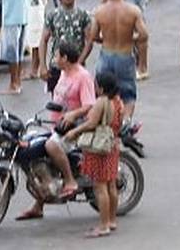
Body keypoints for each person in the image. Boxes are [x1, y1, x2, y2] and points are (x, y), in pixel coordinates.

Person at [16, 42, 96, 221]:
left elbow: (90, 104)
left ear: (65, 58)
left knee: (51, 145)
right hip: (57, 126)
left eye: (57, 56)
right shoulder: (64, 73)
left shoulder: (83, 77)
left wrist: (73, 114)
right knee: (32, 145)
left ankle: (70, 180)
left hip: (76, 128)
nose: (54, 59)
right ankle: (39, 205)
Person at [63, 72, 124, 238]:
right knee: (111, 185)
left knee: (99, 187)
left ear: (102, 87)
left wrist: (74, 132)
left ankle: (103, 225)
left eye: (96, 85)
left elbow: (91, 123)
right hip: (112, 145)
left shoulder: (101, 102)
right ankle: (111, 220)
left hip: (99, 148)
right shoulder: (118, 102)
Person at [80, 0, 149, 118]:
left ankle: (104, 120)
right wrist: (130, 38)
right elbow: (144, 35)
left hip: (106, 54)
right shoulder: (133, 11)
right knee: (128, 94)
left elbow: (93, 36)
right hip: (125, 54)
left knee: (101, 91)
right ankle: (125, 123)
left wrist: (105, 39)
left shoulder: (100, 12)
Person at [39, 0, 93, 93]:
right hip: (57, 65)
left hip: (77, 65)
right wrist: (43, 66)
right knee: (57, 101)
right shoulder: (52, 15)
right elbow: (44, 40)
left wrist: (79, 62)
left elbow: (89, 41)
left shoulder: (83, 15)